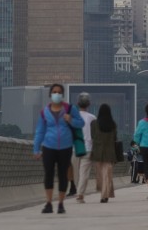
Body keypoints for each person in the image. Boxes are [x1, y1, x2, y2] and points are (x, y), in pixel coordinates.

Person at [32, 83, 85, 215]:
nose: (57, 94)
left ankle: (61, 203)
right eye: (54, 92)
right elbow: (40, 131)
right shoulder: (44, 112)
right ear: (50, 95)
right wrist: (36, 149)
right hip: (49, 146)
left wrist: (71, 120)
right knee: (48, 174)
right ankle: (49, 202)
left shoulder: (70, 109)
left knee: (63, 175)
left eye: (59, 92)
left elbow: (81, 123)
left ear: (62, 94)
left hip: (65, 146)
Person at [90, 102, 119, 203]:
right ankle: (105, 194)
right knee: (107, 174)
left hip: (97, 152)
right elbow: (115, 138)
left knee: (100, 175)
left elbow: (93, 136)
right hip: (110, 152)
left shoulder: (94, 123)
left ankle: (104, 193)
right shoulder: (113, 124)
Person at [71, 92, 96, 203]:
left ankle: (78, 190)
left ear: (77, 104)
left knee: (76, 172)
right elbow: (95, 135)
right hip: (88, 148)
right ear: (89, 104)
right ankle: (80, 194)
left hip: (74, 148)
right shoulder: (92, 118)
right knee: (84, 173)